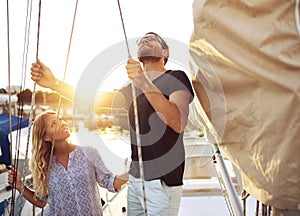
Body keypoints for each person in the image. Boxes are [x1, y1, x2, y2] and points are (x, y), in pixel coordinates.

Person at [30, 32, 194, 216]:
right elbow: (96, 100)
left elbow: (177, 122)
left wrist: (142, 80)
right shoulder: (133, 88)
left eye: (152, 39)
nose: (145, 40)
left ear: (165, 52)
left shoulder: (176, 77)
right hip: (136, 179)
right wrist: (54, 84)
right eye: (142, 40)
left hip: (163, 181)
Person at [8, 110, 128, 216]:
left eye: (60, 119)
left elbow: (110, 183)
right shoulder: (44, 165)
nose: (62, 123)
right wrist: (19, 186)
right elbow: (41, 201)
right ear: (46, 137)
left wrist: (133, 172)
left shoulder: (89, 153)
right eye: (53, 124)